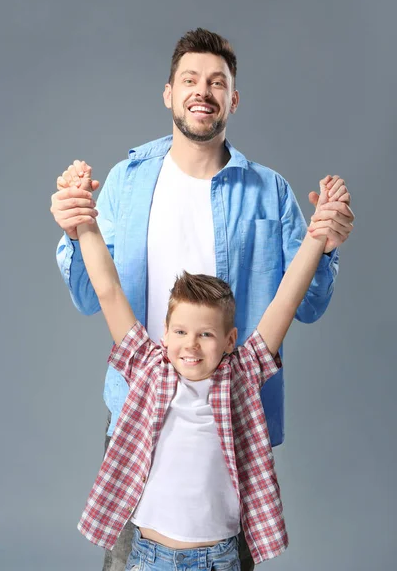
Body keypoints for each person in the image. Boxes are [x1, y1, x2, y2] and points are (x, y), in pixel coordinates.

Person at [50, 28, 354, 571]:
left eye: (218, 82)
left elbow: (298, 305)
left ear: (233, 99)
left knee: (228, 552)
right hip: (138, 406)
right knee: (128, 559)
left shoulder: (272, 192)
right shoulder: (126, 182)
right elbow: (97, 293)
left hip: (233, 413)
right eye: (190, 79)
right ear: (168, 92)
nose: (203, 91)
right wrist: (77, 228)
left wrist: (323, 245)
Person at [60, 164, 340, 568]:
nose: (190, 345)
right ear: (164, 334)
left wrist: (319, 235)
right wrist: (83, 219)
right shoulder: (148, 369)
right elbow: (107, 289)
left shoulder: (241, 375)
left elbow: (286, 300)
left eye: (206, 335)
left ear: (230, 340)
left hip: (219, 560)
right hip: (148, 557)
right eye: (179, 332)